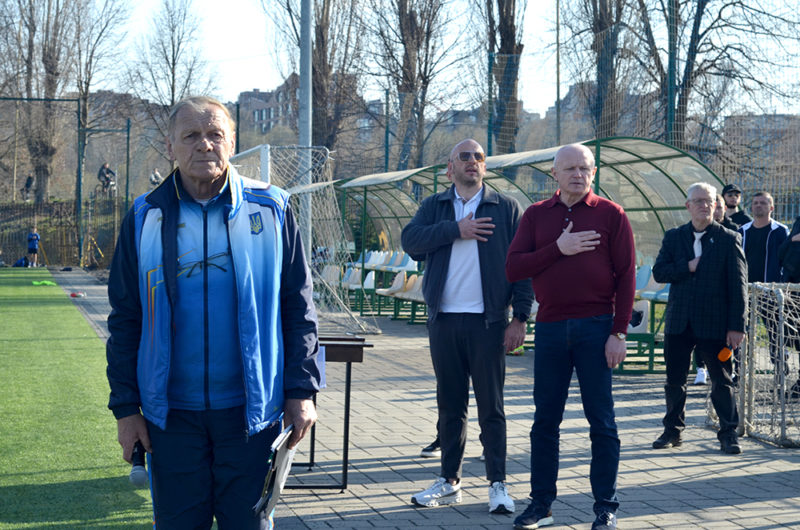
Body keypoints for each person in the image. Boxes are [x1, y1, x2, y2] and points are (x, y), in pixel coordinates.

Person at [106, 96, 320, 529]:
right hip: (171, 419)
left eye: (214, 134)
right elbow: (125, 319)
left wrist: (302, 391)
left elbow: (298, 307)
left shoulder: (272, 208)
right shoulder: (144, 216)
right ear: (170, 146)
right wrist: (126, 408)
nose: (204, 145)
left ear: (232, 143)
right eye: (191, 135)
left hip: (252, 417)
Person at [506, 143, 635, 530]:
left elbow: (627, 277)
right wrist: (558, 248)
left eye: (585, 168)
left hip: (597, 327)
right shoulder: (536, 215)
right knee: (545, 420)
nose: (578, 174)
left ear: (593, 172)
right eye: (570, 168)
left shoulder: (611, 214)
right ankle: (541, 504)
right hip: (550, 328)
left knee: (602, 421)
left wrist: (619, 332)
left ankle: (605, 507)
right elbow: (513, 268)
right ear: (555, 174)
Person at [401, 138, 533, 515]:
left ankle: (498, 485)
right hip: (443, 321)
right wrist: (455, 229)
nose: (473, 161)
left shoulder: (505, 207)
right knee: (450, 405)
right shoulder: (435, 206)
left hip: (488, 323)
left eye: (479, 157)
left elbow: (522, 266)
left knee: (492, 407)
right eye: (465, 156)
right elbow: (411, 241)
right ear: (450, 168)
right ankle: (449, 481)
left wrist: (520, 318)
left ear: (484, 167)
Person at [650, 182, 747, 455]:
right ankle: (672, 431)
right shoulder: (674, 237)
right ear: (688, 206)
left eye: (709, 201)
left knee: (722, 380)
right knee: (674, 380)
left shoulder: (728, 238)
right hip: (679, 322)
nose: (704, 205)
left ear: (716, 205)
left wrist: (737, 326)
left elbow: (738, 286)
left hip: (714, 323)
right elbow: (660, 272)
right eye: (699, 201)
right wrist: (687, 266)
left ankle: (728, 433)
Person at [693, 195, 741, 385]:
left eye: (720, 207)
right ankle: (700, 369)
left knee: (725, 344)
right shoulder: (694, 233)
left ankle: (731, 371)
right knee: (697, 337)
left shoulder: (732, 233)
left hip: (722, 300)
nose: (717, 211)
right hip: (699, 298)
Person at [778, 217, 800, 398]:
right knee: (796, 338)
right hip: (794, 292)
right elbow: (781, 253)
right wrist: (793, 239)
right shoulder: (798, 224)